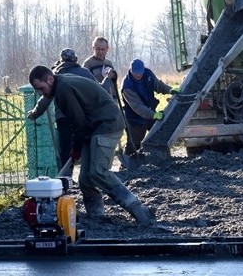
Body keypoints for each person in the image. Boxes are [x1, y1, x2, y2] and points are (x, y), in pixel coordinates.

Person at [28, 65, 154, 224]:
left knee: (98, 171)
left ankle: (139, 209)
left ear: (50, 79)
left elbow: (78, 122)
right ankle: (96, 216)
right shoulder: (58, 85)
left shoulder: (63, 89)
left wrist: (76, 147)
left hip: (108, 124)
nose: (41, 92)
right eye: (38, 90)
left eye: (41, 88)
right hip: (94, 127)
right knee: (85, 179)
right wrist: (34, 113)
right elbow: (48, 101)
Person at [26, 48, 95, 171]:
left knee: (66, 149)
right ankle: (88, 174)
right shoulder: (85, 73)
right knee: (87, 146)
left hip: (63, 117)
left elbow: (45, 98)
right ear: (75, 59)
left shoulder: (55, 74)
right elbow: (97, 89)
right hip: (85, 116)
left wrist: (35, 113)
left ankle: (65, 177)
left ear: (61, 60)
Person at [121, 59, 179, 156]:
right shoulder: (127, 85)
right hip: (135, 118)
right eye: (136, 73)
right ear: (131, 70)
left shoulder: (148, 74)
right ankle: (126, 164)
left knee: (159, 136)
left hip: (150, 113)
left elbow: (158, 85)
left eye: (140, 72)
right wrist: (153, 115)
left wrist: (170, 90)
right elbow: (137, 107)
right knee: (134, 143)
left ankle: (162, 157)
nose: (138, 75)